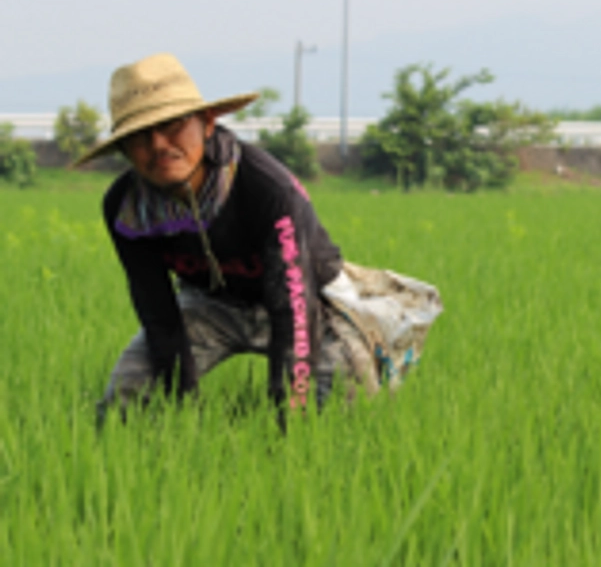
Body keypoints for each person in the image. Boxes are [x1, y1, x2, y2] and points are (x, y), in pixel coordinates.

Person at [78, 53, 442, 427]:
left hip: (310, 299)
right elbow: (156, 310)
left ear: (206, 123)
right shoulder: (126, 209)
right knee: (125, 400)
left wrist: (289, 419)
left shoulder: (264, 185)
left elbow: (292, 304)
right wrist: (181, 405)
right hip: (211, 303)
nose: (157, 144)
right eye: (139, 136)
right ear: (123, 150)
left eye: (172, 125)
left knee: (348, 405)